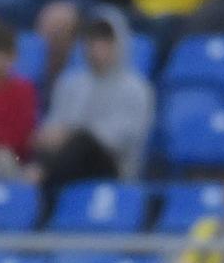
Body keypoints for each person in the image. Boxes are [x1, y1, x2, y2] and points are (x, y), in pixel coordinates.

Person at [28, 14, 155, 191]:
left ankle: (37, 176)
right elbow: (54, 124)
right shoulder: (69, 83)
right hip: (66, 160)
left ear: (119, 44)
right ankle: (33, 177)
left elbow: (121, 139)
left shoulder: (137, 88)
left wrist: (69, 135)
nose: (97, 48)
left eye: (105, 41)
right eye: (92, 41)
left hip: (113, 166)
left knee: (84, 142)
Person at [0, 22, 37, 174]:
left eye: (2, 56)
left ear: (12, 57)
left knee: (2, 158)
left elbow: (22, 136)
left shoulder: (24, 90)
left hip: (14, 159)